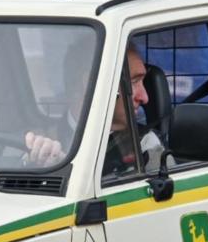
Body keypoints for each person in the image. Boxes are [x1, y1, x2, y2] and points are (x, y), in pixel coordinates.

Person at [24, 42, 162, 175]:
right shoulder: (41, 142)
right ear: (93, 84)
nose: (145, 97)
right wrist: (36, 163)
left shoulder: (146, 143)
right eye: (134, 82)